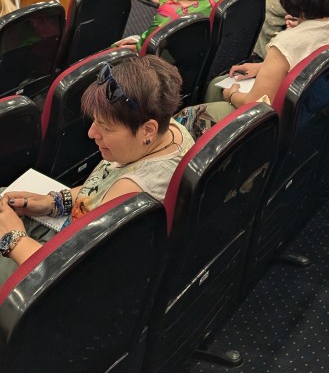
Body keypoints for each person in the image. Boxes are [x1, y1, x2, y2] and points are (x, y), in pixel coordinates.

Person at [0, 55, 193, 284]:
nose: (92, 133)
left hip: (58, 267)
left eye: (105, 127)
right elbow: (102, 187)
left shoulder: (130, 192)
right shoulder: (171, 130)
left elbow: (66, 274)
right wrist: (53, 202)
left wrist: (12, 239)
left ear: (147, 130)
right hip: (76, 230)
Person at [203, 0, 329, 121]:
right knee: (217, 83)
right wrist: (263, 67)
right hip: (313, 110)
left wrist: (231, 94)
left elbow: (255, 103)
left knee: (212, 93)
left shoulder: (285, 43)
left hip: (276, 121)